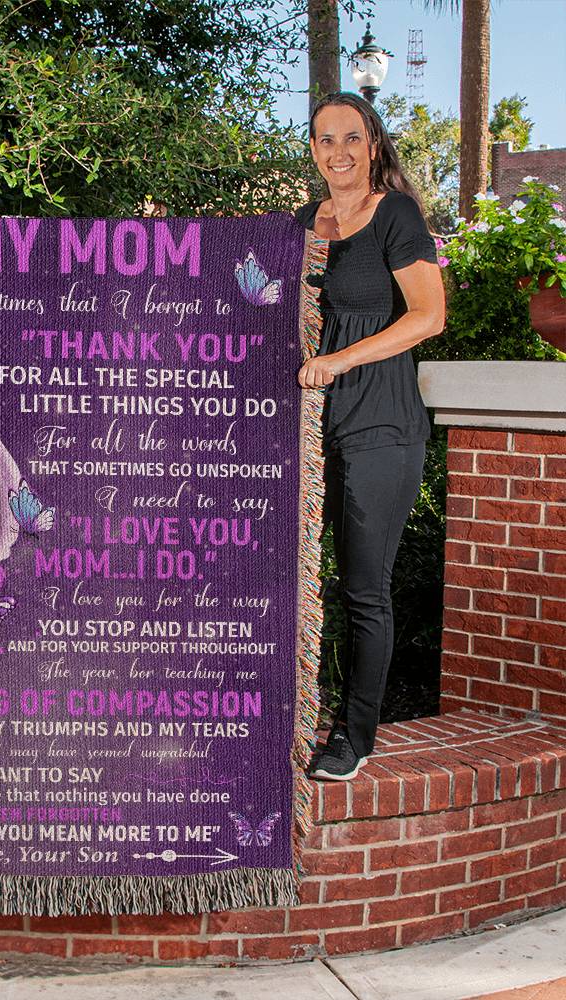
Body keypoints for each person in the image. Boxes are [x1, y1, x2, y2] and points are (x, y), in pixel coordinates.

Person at [295, 92, 445, 781]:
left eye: (351, 138)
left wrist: (340, 360)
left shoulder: (395, 215)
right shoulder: (304, 224)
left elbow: (429, 316)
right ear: (314, 150)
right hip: (308, 430)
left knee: (363, 589)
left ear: (373, 144)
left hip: (380, 426)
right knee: (293, 582)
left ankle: (352, 739)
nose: (339, 152)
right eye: (326, 140)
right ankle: (290, 716)